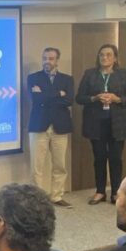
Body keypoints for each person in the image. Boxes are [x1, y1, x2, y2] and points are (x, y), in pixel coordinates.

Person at [76, 44, 126, 205]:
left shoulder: (123, 74)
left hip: (117, 124)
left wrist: (117, 99)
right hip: (96, 124)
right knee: (99, 158)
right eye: (102, 55)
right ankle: (100, 191)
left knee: (116, 158)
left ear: (115, 58)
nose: (104, 57)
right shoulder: (90, 74)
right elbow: (79, 97)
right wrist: (95, 98)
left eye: (109, 55)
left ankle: (116, 192)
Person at [26, 47, 75, 208]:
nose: (47, 61)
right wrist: (58, 94)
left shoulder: (67, 79)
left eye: (51, 58)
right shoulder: (33, 78)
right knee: (37, 166)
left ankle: (56, 196)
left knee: (60, 165)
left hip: (60, 127)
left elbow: (69, 100)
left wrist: (45, 94)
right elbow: (36, 99)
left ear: (57, 60)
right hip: (39, 126)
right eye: (45, 58)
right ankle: (37, 199)